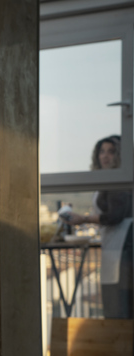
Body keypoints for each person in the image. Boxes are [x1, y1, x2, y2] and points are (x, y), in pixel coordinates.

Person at [64, 135, 132, 319]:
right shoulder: (110, 180)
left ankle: (121, 346)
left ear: (120, 155)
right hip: (116, 245)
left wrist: (83, 219)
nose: (105, 156)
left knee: (120, 302)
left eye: (111, 151)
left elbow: (115, 215)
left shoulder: (118, 181)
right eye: (102, 151)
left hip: (124, 246)